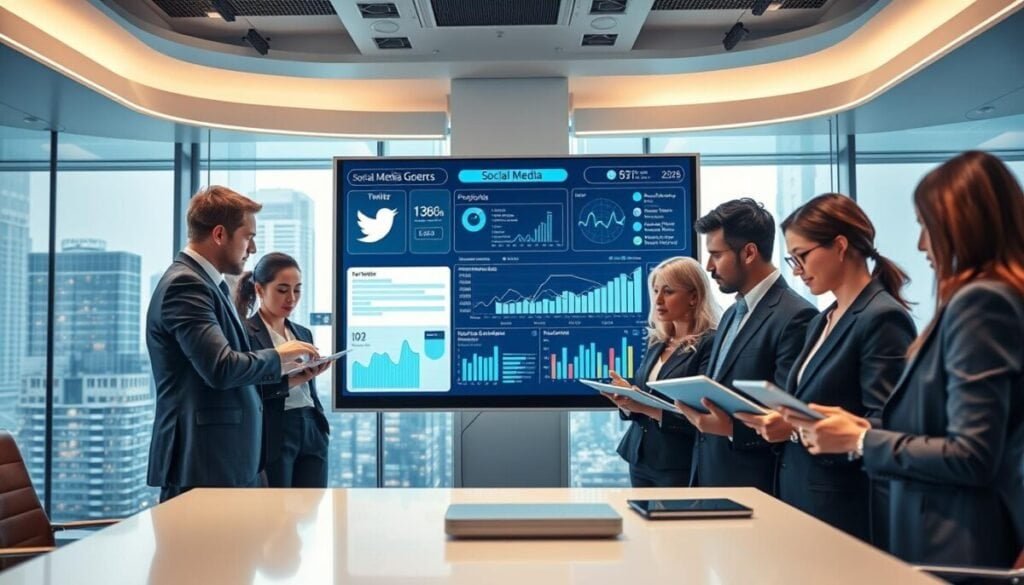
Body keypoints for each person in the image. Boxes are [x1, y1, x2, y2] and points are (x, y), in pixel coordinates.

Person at [784, 151, 1024, 567]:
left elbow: (973, 454)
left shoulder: (982, 302)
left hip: (958, 548)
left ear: (962, 225)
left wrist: (861, 439)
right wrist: (863, 427)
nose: (920, 243)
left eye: (925, 225)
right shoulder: (986, 299)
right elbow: (935, 425)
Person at [734, 194, 916, 543]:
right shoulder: (822, 320)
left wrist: (808, 429)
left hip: (846, 508)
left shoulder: (882, 318)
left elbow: (892, 424)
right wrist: (787, 424)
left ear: (840, 246)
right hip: (802, 497)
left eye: (802, 256)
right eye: (792, 258)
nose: (797, 269)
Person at [146, 186, 323, 502]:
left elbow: (218, 383)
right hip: (203, 466)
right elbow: (221, 368)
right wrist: (279, 356)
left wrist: (283, 382)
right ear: (218, 234)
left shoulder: (207, 285)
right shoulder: (186, 285)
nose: (253, 248)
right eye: (248, 236)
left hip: (224, 465)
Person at [676, 198, 817, 494]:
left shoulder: (796, 316)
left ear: (749, 252)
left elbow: (788, 416)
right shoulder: (731, 314)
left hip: (756, 486)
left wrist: (729, 429)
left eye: (716, 255)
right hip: (710, 478)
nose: (709, 266)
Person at [604, 257, 718, 487]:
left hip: (676, 462)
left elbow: (702, 417)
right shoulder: (659, 342)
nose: (658, 300)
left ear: (694, 297)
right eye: (655, 291)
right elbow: (643, 396)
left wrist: (643, 406)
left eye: (668, 291)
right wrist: (626, 400)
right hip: (640, 457)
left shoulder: (711, 343)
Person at [235, 252, 331, 488]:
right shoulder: (245, 333)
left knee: (311, 508)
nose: (291, 298)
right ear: (259, 289)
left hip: (311, 426)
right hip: (275, 430)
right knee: (279, 513)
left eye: (297, 289)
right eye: (282, 289)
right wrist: (290, 382)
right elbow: (245, 392)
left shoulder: (302, 332)